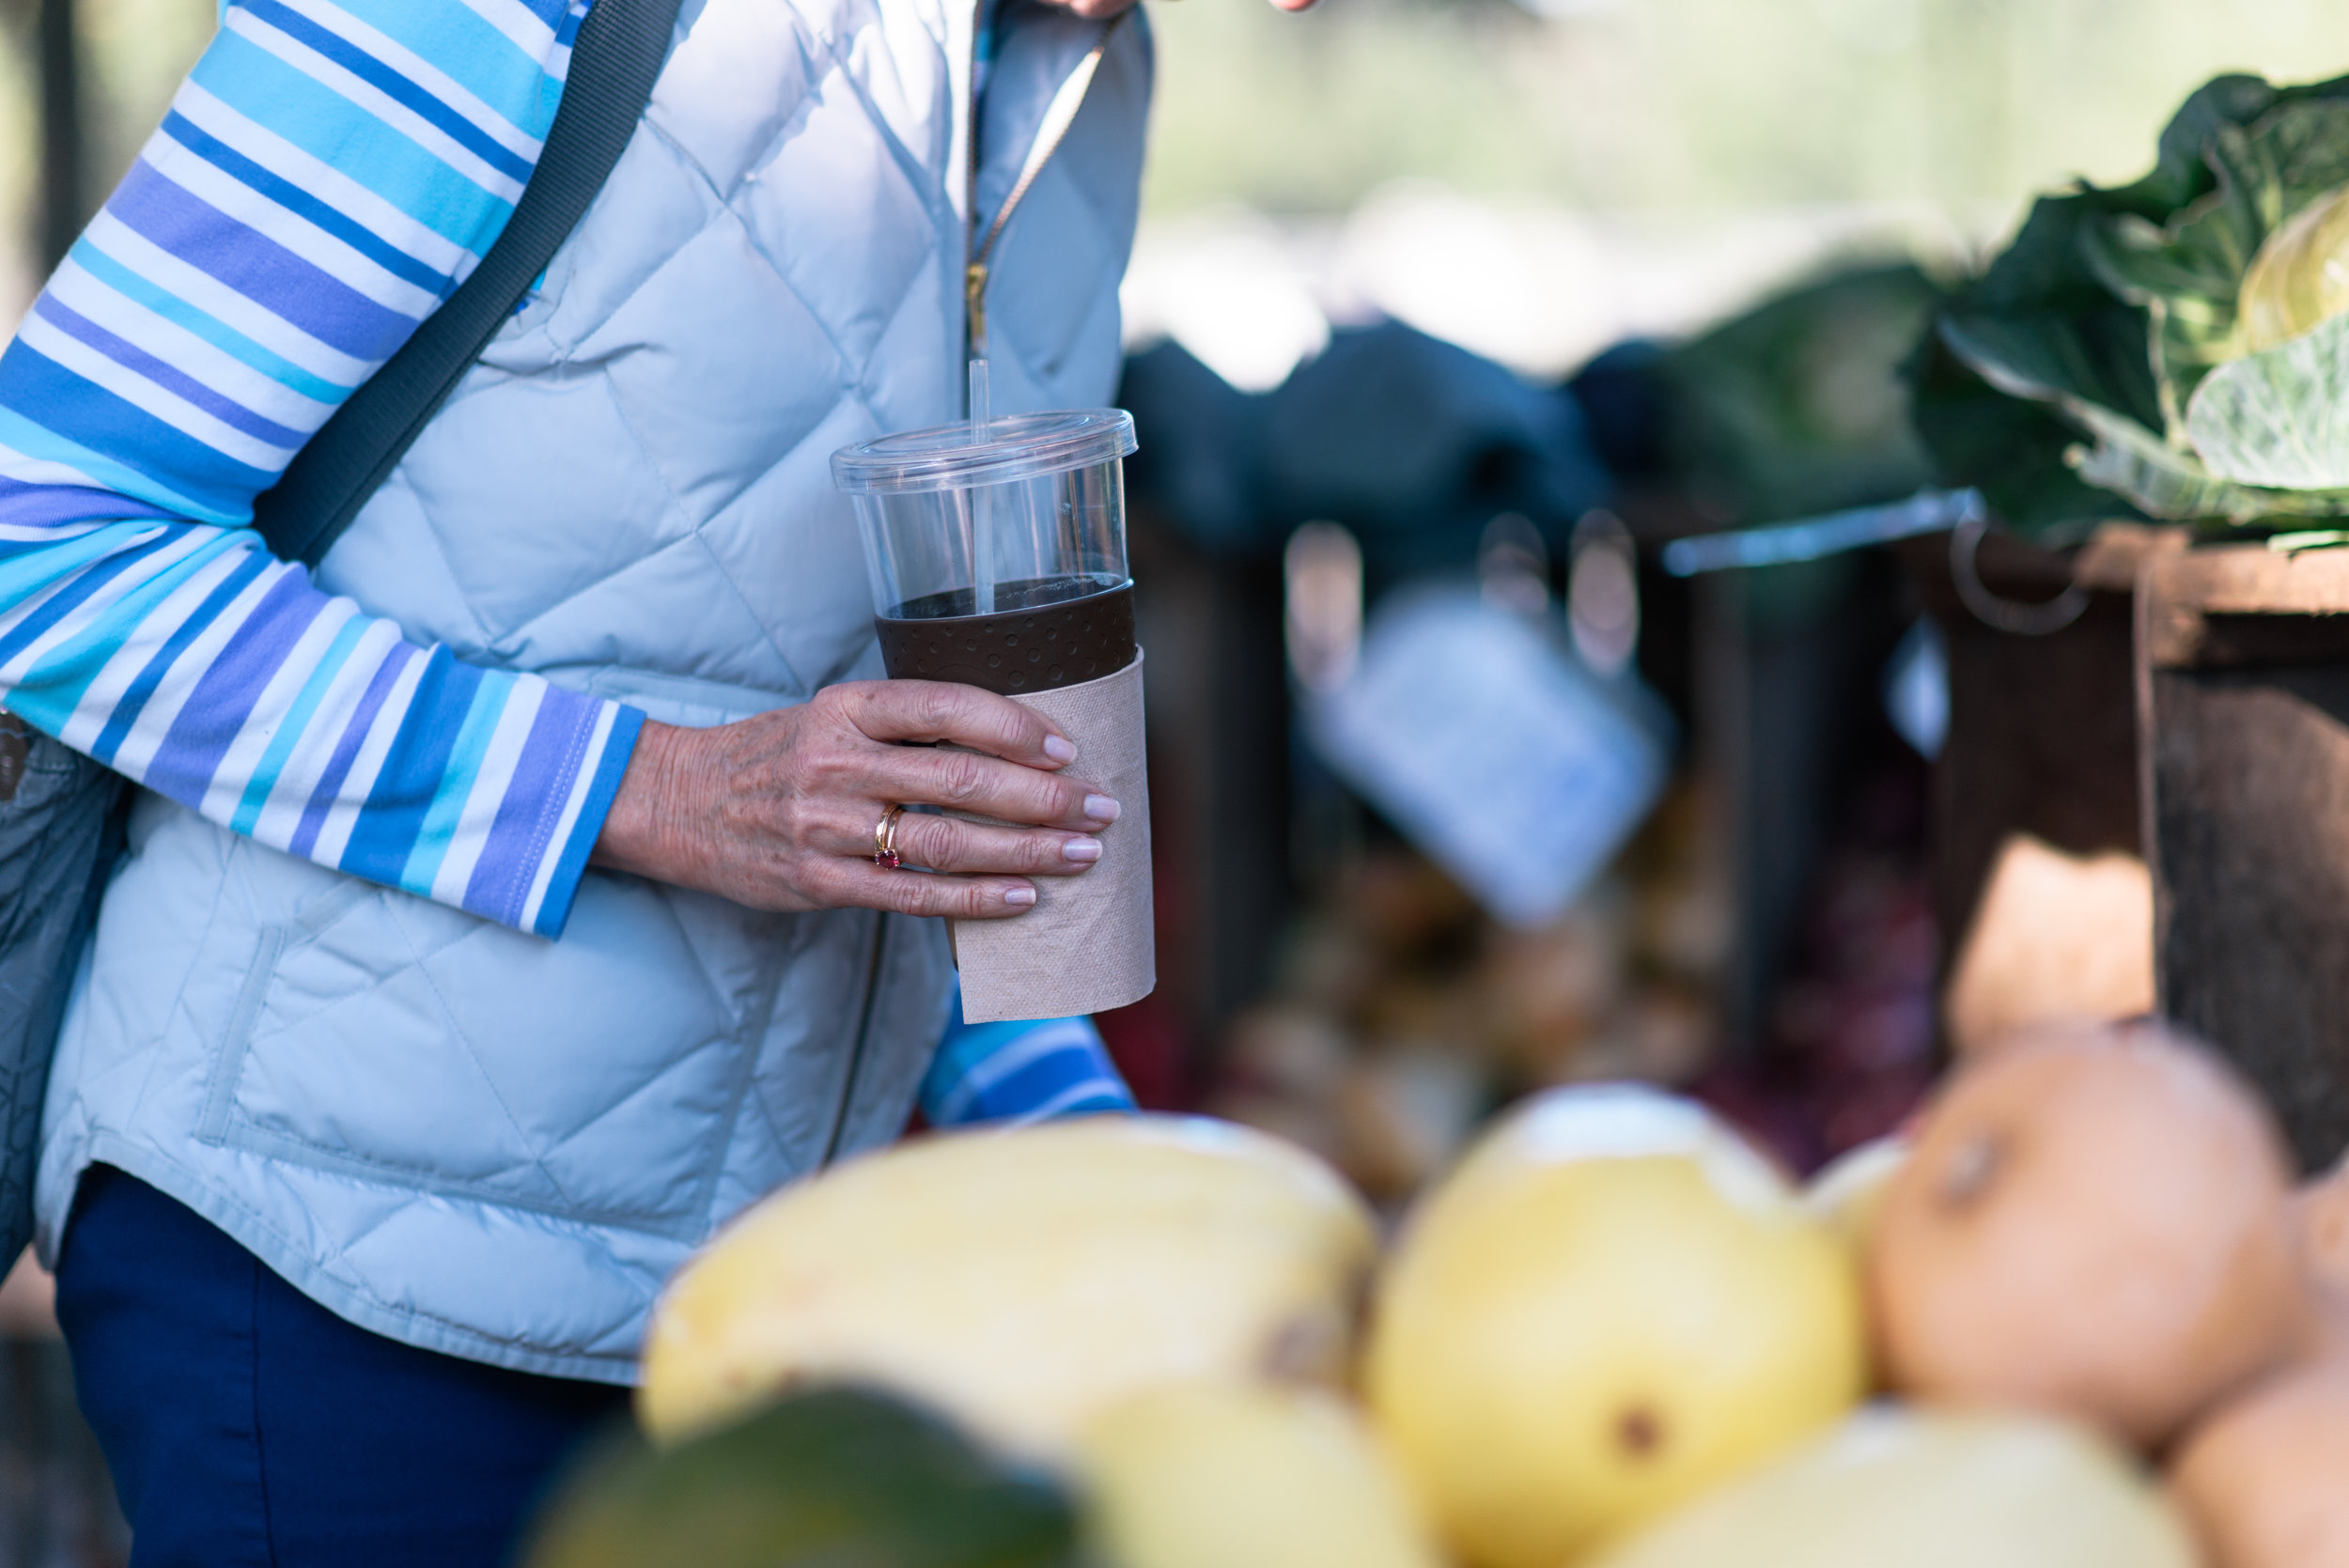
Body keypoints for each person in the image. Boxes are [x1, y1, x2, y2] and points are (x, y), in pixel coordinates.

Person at [0, 0, 1296, 1558]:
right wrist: (667, 790)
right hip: (335, 1259)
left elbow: (882, 756)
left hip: (747, 1316)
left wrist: (1090, 1146)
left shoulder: (1081, 66)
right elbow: (47, 543)